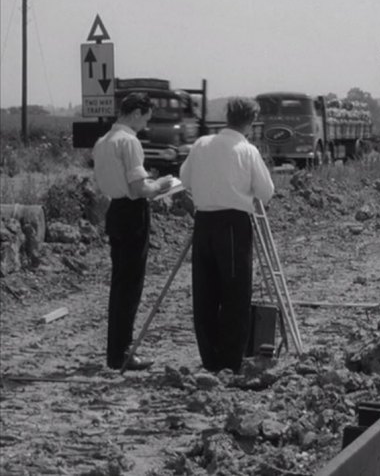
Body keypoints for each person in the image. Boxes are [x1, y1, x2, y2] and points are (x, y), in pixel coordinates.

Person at [180, 97, 274, 373]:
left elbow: (184, 179)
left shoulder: (202, 144)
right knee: (235, 293)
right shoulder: (246, 150)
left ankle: (210, 358)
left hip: (204, 222)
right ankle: (229, 362)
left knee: (205, 292)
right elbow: (266, 191)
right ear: (250, 121)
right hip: (233, 224)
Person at [92, 93, 173, 371]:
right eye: (145, 119)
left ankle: (116, 350)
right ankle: (122, 352)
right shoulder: (129, 141)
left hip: (115, 210)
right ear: (137, 112)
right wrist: (161, 184)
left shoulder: (103, 142)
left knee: (120, 284)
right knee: (130, 286)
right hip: (132, 213)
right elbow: (140, 190)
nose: (145, 126)